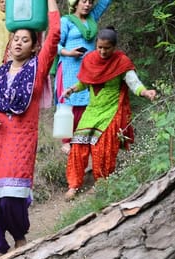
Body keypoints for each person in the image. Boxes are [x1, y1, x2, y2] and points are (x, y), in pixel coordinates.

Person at [0, 0, 60, 259]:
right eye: (15, 39)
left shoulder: (37, 69)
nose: (18, 43)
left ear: (34, 46)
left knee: (11, 196)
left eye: (25, 40)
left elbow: (54, 34)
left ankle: (20, 237)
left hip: (21, 140)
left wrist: (50, 3)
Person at [62, 27, 157, 200]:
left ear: (114, 47)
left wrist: (145, 92)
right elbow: (84, 82)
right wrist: (72, 89)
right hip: (92, 111)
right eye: (99, 47)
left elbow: (133, 83)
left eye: (107, 48)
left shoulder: (121, 62)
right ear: (96, 45)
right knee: (78, 146)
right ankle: (73, 185)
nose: (103, 51)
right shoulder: (90, 59)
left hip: (111, 111)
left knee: (102, 148)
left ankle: (101, 183)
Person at [54, 0, 113, 154]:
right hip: (69, 66)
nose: (87, 5)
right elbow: (56, 44)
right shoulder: (66, 21)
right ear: (76, 3)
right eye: (84, 1)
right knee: (68, 101)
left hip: (88, 68)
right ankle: (66, 140)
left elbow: (105, 2)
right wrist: (69, 53)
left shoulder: (92, 18)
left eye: (90, 2)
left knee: (86, 101)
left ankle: (82, 138)